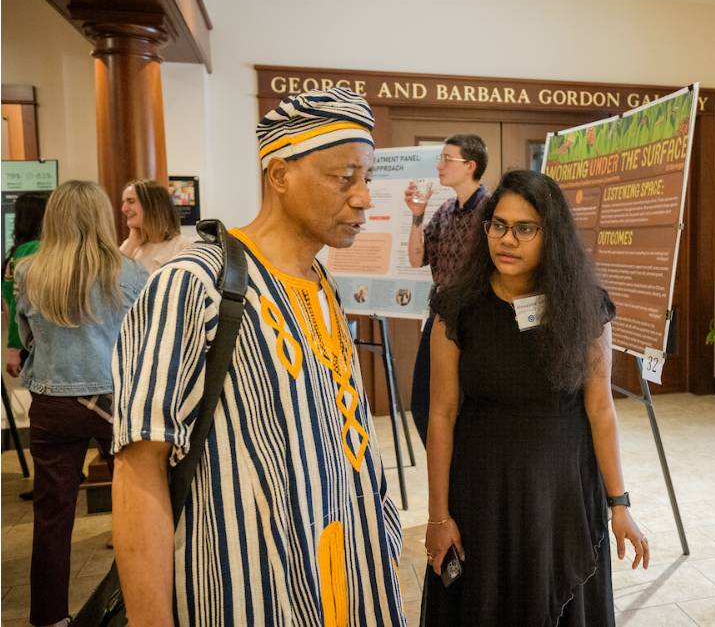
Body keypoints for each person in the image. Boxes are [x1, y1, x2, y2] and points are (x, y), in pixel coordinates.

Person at [112, 89, 406, 625]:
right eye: (344, 178)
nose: (364, 198)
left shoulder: (322, 282)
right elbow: (140, 465)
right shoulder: (194, 283)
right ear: (279, 175)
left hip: (349, 577)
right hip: (250, 590)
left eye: (367, 178)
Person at [422, 170, 650, 625]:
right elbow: (441, 414)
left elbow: (600, 409)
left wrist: (619, 504)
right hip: (483, 491)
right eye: (499, 225)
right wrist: (438, 516)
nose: (508, 240)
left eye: (525, 228)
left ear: (552, 234)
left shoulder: (585, 306)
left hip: (562, 491)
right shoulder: (456, 308)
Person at [14, 180, 147, 627]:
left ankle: (49, 618)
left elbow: (28, 339)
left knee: (52, 517)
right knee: (137, 508)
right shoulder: (130, 273)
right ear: (100, 216)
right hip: (116, 403)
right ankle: (140, 607)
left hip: (52, 404)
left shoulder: (29, 271)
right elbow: (142, 341)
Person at [405, 134, 490, 444]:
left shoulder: (490, 210)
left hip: (476, 319)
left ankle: (463, 465)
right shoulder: (445, 210)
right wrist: (417, 215)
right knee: (423, 403)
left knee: (465, 405)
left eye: (446, 159)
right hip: (441, 314)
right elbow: (416, 259)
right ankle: (443, 462)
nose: (439, 166)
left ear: (470, 166)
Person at [3, 192, 48, 377]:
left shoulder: (20, 252)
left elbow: (12, 303)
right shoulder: (37, 250)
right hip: (43, 342)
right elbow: (16, 303)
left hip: (27, 341)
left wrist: (13, 348)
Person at [119, 179, 193, 273]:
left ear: (154, 206)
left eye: (131, 201)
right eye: (124, 202)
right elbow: (109, 277)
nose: (124, 209)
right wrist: (130, 244)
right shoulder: (131, 245)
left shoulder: (184, 247)